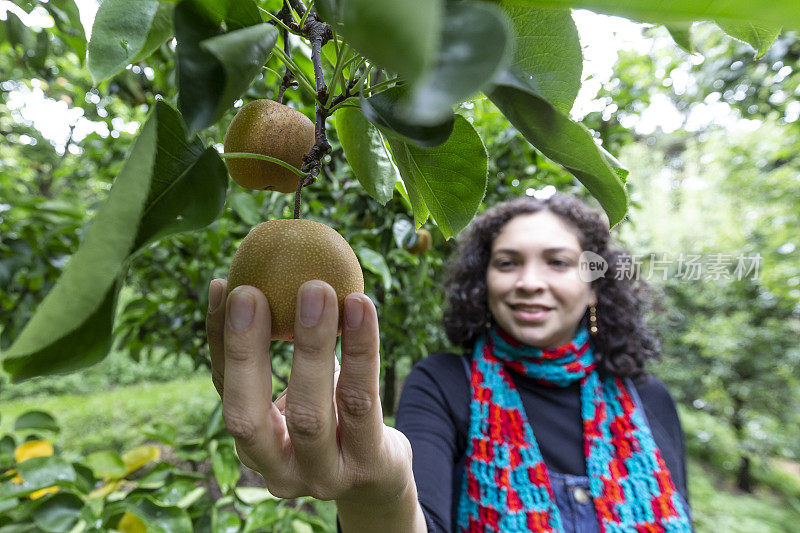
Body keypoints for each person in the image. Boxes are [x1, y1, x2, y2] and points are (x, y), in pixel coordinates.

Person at [205, 192, 693, 532]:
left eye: (557, 262)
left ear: (593, 283)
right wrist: (377, 489)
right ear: (483, 282)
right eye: (507, 262)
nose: (528, 281)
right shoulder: (444, 383)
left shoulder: (649, 399)